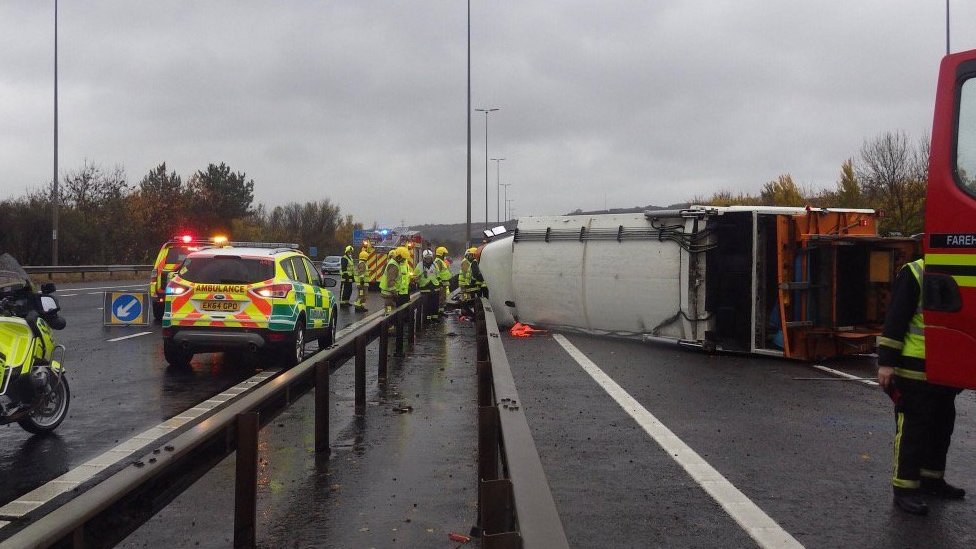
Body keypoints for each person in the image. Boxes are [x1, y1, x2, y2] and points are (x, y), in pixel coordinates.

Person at [877, 257, 965, 516]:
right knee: (913, 431)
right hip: (913, 368)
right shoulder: (914, 272)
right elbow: (896, 319)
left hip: (944, 369)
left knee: (942, 425)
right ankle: (904, 489)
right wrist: (886, 364)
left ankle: (931, 480)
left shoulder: (960, 271)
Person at [415, 249, 440, 321]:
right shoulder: (420, 265)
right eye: (427, 258)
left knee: (435, 304)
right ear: (424, 258)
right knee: (427, 305)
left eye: (429, 258)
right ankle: (427, 318)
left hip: (435, 287)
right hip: (425, 288)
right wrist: (416, 280)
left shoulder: (435, 265)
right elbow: (416, 276)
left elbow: (438, 274)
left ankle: (435, 317)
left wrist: (440, 284)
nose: (428, 259)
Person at [379, 249, 400, 315]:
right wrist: (395, 292)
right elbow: (390, 281)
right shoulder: (392, 264)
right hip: (389, 291)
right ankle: (389, 323)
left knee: (389, 308)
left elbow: (382, 273)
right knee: (389, 310)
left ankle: (389, 321)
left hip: (387, 290)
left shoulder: (389, 263)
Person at [434, 246, 452, 316]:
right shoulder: (438, 261)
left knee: (443, 298)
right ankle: (439, 312)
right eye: (444, 254)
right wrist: (439, 283)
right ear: (441, 254)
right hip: (441, 283)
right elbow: (437, 273)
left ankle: (441, 311)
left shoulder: (441, 261)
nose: (445, 255)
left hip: (443, 283)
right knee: (440, 298)